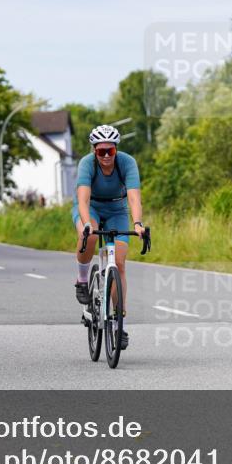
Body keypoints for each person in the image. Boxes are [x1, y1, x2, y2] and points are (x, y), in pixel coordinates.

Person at [72, 124, 145, 350]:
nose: (105, 156)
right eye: (101, 151)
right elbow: (83, 200)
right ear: (94, 150)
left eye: (110, 151)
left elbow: (133, 198)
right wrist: (86, 225)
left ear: (116, 150)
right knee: (91, 237)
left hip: (116, 210)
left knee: (119, 263)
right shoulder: (86, 164)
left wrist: (138, 223)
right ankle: (82, 280)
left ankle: (118, 322)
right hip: (91, 208)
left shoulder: (127, 162)